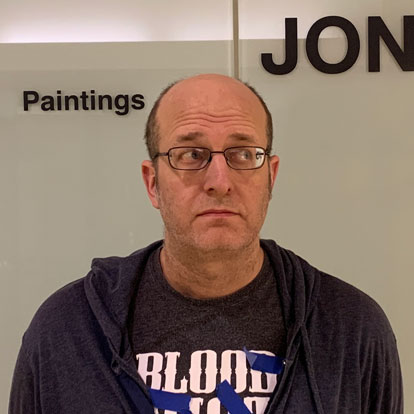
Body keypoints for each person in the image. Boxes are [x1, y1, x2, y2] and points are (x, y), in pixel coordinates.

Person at [9, 74, 403, 414]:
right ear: (153, 183)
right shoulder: (65, 330)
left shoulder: (352, 329)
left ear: (271, 175)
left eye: (244, 154)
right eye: (191, 154)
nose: (219, 180)